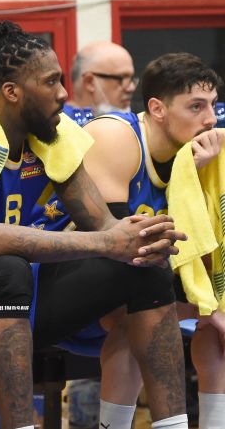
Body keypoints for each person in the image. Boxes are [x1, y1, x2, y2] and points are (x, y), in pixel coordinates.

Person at [0, 20, 189, 429]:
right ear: (12, 92)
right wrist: (107, 242)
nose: (63, 93)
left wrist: (140, 240)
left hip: (10, 298)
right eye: (51, 82)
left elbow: (104, 225)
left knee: (145, 268)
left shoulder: (51, 131)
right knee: (8, 268)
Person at [75, 53, 224, 429]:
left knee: (215, 316)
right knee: (142, 306)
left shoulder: (198, 157)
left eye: (213, 105)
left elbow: (203, 254)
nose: (210, 119)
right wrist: (186, 176)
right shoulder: (116, 136)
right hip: (65, 279)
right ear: (157, 109)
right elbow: (115, 246)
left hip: (142, 283)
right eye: (196, 106)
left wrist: (214, 307)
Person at [64, 41, 138, 125]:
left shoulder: (128, 122)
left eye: (131, 79)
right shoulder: (62, 124)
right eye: (121, 79)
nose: (131, 87)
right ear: (89, 82)